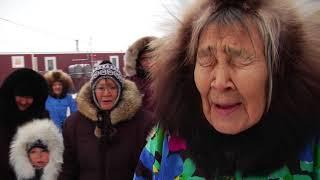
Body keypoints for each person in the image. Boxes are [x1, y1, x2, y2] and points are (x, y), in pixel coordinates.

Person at [134, 0, 320, 179]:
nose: (220, 82)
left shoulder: (313, 147)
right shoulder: (164, 141)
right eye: (207, 59)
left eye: (240, 59)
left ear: (279, 71)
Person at [58, 61, 153, 180]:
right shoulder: (73, 124)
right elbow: (68, 167)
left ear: (120, 90)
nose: (106, 93)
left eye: (113, 87)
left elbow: (151, 168)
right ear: (93, 90)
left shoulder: (144, 122)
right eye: (101, 88)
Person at [0, 68, 49, 179]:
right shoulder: (2, 116)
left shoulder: (41, 119)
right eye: (21, 96)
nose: (23, 101)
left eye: (29, 97)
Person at [124, 36, 157, 112]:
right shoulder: (129, 82)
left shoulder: (168, 80)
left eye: (153, 57)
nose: (149, 62)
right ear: (138, 61)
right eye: (145, 58)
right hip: (139, 123)